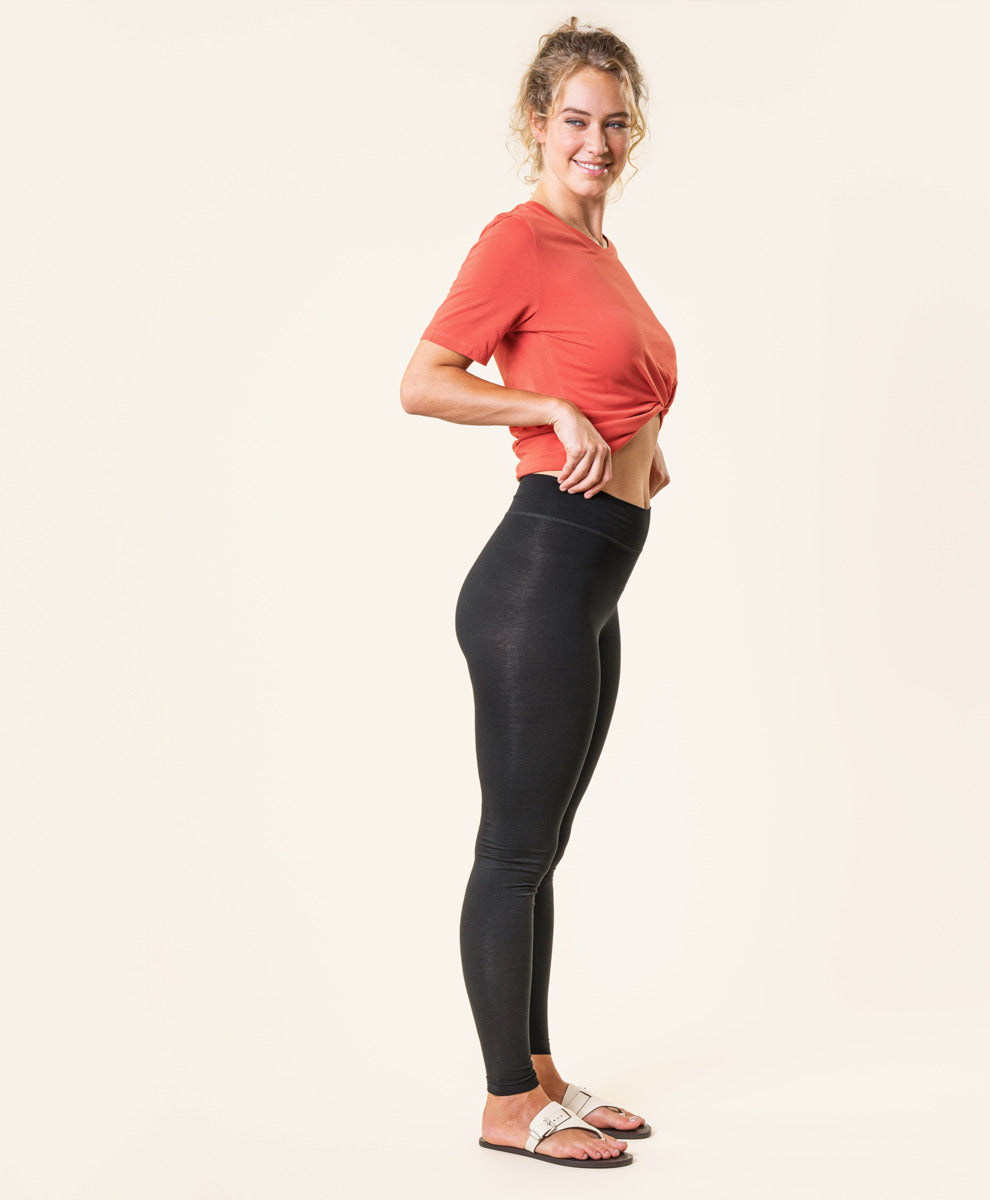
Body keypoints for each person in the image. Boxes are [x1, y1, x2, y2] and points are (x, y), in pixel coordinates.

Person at [400, 18, 677, 1169]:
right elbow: (422, 381)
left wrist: (639, 443)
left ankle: (541, 1070)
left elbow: (615, 382)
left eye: (614, 121)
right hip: (537, 579)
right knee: (512, 850)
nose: (596, 140)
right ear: (537, 125)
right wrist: (547, 413)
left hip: (590, 580)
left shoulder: (601, 254)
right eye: (575, 120)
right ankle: (504, 1102)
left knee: (542, 846)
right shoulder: (519, 240)